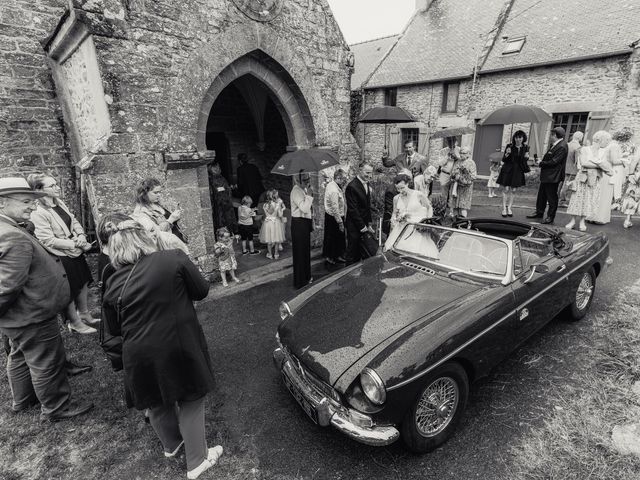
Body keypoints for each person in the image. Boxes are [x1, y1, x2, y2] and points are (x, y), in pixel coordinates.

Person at [100, 219, 222, 479]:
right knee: (191, 397)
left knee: (155, 400)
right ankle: (198, 462)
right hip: (176, 343)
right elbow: (201, 290)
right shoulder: (173, 258)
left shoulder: (112, 282)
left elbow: (114, 327)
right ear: (144, 239)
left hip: (136, 351)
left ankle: (172, 445)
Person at [0, 177, 94, 421]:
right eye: (25, 202)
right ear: (2, 203)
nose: (32, 206)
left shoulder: (9, 226)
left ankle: (23, 400)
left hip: (19, 316)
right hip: (31, 313)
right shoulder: (12, 235)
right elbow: (7, 286)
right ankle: (56, 408)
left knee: (20, 355)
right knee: (46, 361)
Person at [27, 173, 97, 334]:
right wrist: (75, 243)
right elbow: (47, 240)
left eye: (56, 184)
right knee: (69, 290)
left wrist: (81, 236)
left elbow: (74, 221)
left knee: (83, 281)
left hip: (75, 249)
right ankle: (75, 322)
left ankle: (84, 314)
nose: (57, 187)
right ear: (39, 190)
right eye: (52, 186)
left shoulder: (58, 203)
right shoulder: (37, 211)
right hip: (60, 255)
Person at [565, 137, 613, 231]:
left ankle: (582, 221)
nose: (608, 143)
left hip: (595, 179)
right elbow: (584, 163)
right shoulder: (585, 149)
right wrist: (599, 165)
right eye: (606, 140)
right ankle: (573, 221)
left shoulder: (603, 152)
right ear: (600, 140)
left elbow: (606, 166)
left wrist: (595, 163)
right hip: (583, 177)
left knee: (588, 200)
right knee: (577, 199)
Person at [132, 178, 188, 253]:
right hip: (167, 249)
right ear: (144, 193)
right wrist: (170, 220)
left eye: (160, 192)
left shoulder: (156, 203)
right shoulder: (140, 212)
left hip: (176, 244)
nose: (159, 195)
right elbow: (153, 234)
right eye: (155, 193)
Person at [527, 127, 569, 224]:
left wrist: (541, 163)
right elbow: (551, 158)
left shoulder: (562, 146)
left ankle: (550, 216)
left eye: (551, 135)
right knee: (542, 195)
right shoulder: (555, 145)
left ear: (555, 135)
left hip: (553, 176)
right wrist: (542, 160)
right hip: (547, 175)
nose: (550, 137)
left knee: (551, 197)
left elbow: (555, 161)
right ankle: (539, 212)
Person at [384, 172, 432, 251]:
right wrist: (393, 219)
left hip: (417, 228)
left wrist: (428, 220)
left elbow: (429, 207)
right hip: (402, 228)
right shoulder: (396, 198)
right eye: (397, 189)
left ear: (407, 184)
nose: (400, 191)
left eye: (402, 188)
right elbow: (394, 212)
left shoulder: (418, 195)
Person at [345, 162, 374, 265]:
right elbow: (353, 209)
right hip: (354, 225)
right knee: (352, 251)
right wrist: (362, 226)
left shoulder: (366, 182)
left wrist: (369, 223)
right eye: (367, 172)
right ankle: (348, 275)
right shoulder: (351, 186)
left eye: (371, 173)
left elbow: (367, 206)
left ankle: (358, 273)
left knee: (361, 250)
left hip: (364, 223)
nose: (369, 175)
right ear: (360, 170)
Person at [587, 131, 617, 225]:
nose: (609, 141)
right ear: (602, 139)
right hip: (604, 174)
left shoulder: (597, 149)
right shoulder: (607, 149)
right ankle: (598, 217)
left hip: (600, 173)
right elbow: (611, 161)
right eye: (607, 139)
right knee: (602, 196)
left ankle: (591, 216)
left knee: (596, 196)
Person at [290, 172, 314, 288]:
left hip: (304, 223)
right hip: (299, 224)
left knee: (305, 251)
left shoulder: (302, 189)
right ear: (298, 180)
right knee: (300, 253)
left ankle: (306, 276)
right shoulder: (296, 191)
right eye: (304, 179)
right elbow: (304, 208)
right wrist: (309, 195)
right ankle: (300, 282)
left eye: (308, 178)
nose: (307, 181)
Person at [498, 130, 530, 217]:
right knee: (506, 189)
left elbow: (523, 161)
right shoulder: (509, 146)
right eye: (516, 137)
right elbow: (504, 159)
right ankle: (504, 208)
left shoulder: (526, 147)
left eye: (520, 137)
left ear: (523, 138)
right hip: (508, 169)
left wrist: (527, 157)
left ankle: (509, 208)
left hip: (518, 170)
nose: (518, 139)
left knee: (514, 190)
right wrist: (507, 154)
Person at [322, 169, 347, 265]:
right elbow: (335, 207)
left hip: (330, 216)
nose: (344, 180)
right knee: (335, 237)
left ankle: (331, 256)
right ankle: (334, 257)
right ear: (338, 178)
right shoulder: (334, 190)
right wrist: (340, 222)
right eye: (343, 179)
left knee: (331, 237)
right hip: (334, 217)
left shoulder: (332, 184)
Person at [206, 158, 237, 234]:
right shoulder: (211, 179)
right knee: (222, 218)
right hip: (219, 202)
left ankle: (227, 233)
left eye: (218, 168)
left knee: (226, 218)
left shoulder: (220, 178)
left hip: (224, 202)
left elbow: (226, 189)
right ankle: (223, 233)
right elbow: (213, 191)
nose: (218, 169)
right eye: (216, 168)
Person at [448, 147, 477, 218]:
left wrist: (463, 178)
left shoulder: (471, 163)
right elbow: (452, 173)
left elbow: (473, 176)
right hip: (456, 187)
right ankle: (455, 223)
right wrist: (455, 175)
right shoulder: (457, 161)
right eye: (460, 153)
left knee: (463, 207)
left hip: (465, 189)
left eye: (463, 153)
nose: (461, 155)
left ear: (468, 154)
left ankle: (463, 223)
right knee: (455, 206)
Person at [559, 131, 584, 207]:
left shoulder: (567, 144)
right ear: (579, 138)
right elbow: (578, 161)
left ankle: (557, 199)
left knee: (561, 184)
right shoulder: (578, 147)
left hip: (563, 167)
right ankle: (562, 201)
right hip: (572, 169)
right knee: (567, 185)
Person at [259, 189, 286, 259]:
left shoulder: (265, 205)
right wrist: (280, 211)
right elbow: (280, 215)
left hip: (268, 223)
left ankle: (270, 254)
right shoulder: (277, 204)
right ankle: (276, 254)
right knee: (276, 239)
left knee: (269, 240)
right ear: (273, 196)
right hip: (275, 223)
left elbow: (266, 214)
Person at [621, 155, 640, 228]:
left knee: (631, 201)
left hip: (633, 185)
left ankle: (627, 220)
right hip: (635, 186)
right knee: (632, 201)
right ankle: (627, 220)